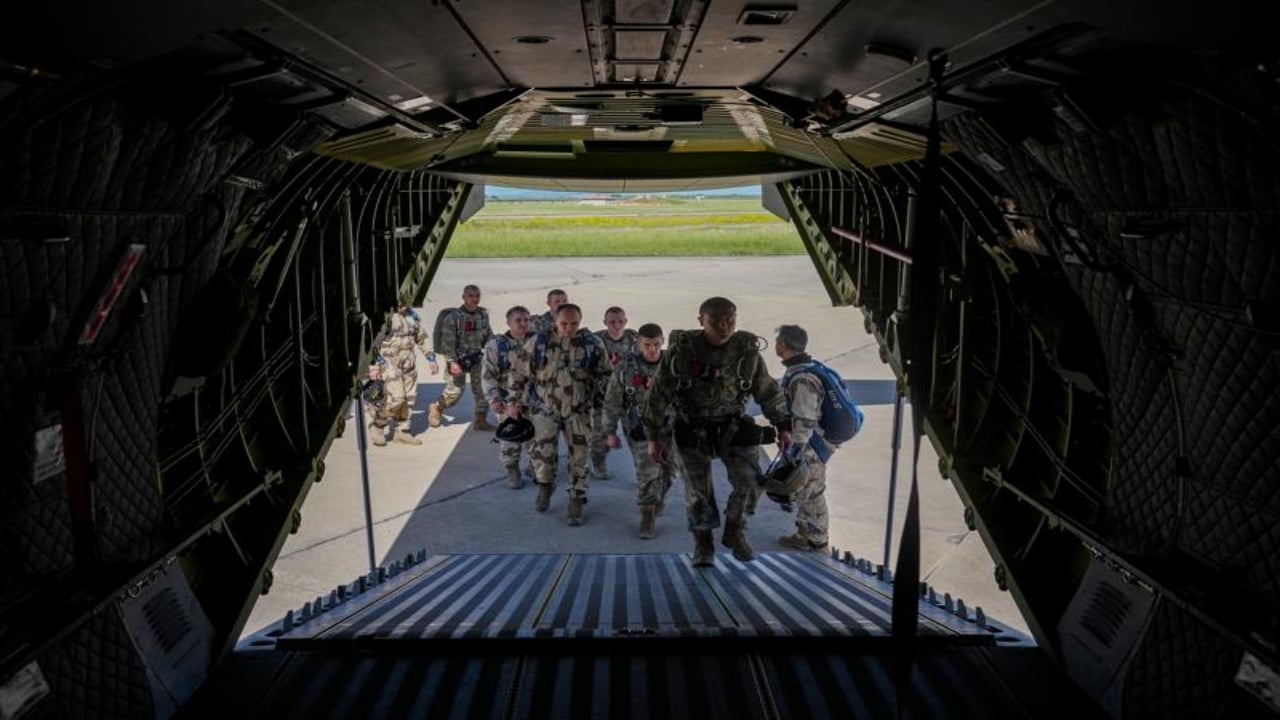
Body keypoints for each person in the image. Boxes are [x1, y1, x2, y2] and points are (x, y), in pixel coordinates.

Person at [643, 296, 791, 566]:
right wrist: (654, 437)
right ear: (701, 321)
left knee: (750, 482)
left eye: (730, 319)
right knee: (698, 493)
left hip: (732, 426)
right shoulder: (682, 352)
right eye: (716, 321)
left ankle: (736, 529)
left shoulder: (746, 352)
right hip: (692, 427)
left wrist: (782, 425)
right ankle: (703, 544)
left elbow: (767, 389)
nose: (724, 326)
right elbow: (658, 394)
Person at [506, 303, 611, 525]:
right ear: (555, 321)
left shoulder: (593, 344)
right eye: (564, 323)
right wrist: (514, 402)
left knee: (580, 458)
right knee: (541, 455)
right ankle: (545, 486)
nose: (569, 328)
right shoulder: (539, 343)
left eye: (574, 323)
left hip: (579, 411)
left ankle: (577, 498)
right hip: (545, 409)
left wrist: (598, 399)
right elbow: (518, 373)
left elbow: (606, 375)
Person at [603, 323, 675, 539]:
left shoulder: (674, 366)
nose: (651, 349)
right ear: (638, 344)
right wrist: (610, 431)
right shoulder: (626, 368)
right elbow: (612, 400)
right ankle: (647, 514)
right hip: (640, 428)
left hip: (672, 427)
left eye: (655, 344)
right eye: (646, 344)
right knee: (647, 472)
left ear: (663, 342)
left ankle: (658, 498)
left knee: (671, 471)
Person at [773, 324, 832, 551]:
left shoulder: (802, 379)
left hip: (811, 444)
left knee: (812, 490)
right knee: (804, 489)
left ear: (784, 346)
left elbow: (805, 418)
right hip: (812, 441)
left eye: (778, 342)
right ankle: (805, 532)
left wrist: (797, 451)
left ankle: (818, 541)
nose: (776, 345)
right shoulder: (805, 368)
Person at [370, 296, 439, 446]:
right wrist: (375, 366)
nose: (403, 305)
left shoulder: (412, 316)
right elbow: (372, 344)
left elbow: (422, 338)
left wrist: (431, 358)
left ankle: (403, 432)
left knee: (409, 398)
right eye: (401, 302)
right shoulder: (386, 317)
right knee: (397, 398)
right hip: (389, 361)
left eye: (405, 302)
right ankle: (378, 424)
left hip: (408, 362)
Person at [482, 306, 536, 488]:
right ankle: (512, 469)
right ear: (508, 323)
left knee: (536, 438)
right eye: (518, 320)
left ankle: (535, 467)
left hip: (535, 401)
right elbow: (488, 376)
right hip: (508, 401)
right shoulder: (496, 346)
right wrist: (494, 399)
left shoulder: (538, 342)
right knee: (510, 439)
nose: (523, 324)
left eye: (526, 320)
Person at [429, 284, 495, 430]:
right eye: (470, 296)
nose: (474, 299)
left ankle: (480, 420)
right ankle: (437, 408)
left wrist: (494, 350)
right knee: (455, 392)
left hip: (476, 358)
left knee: (483, 390)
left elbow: (488, 336)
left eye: (477, 296)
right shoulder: (454, 317)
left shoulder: (482, 315)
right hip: (458, 359)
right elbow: (447, 343)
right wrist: (452, 362)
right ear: (463, 297)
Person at [589, 306, 638, 479]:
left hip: (628, 396)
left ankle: (642, 470)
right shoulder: (595, 340)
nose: (616, 325)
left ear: (625, 321)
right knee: (599, 434)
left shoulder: (634, 339)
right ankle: (599, 464)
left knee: (636, 434)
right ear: (605, 322)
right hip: (603, 396)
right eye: (612, 322)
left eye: (620, 321)